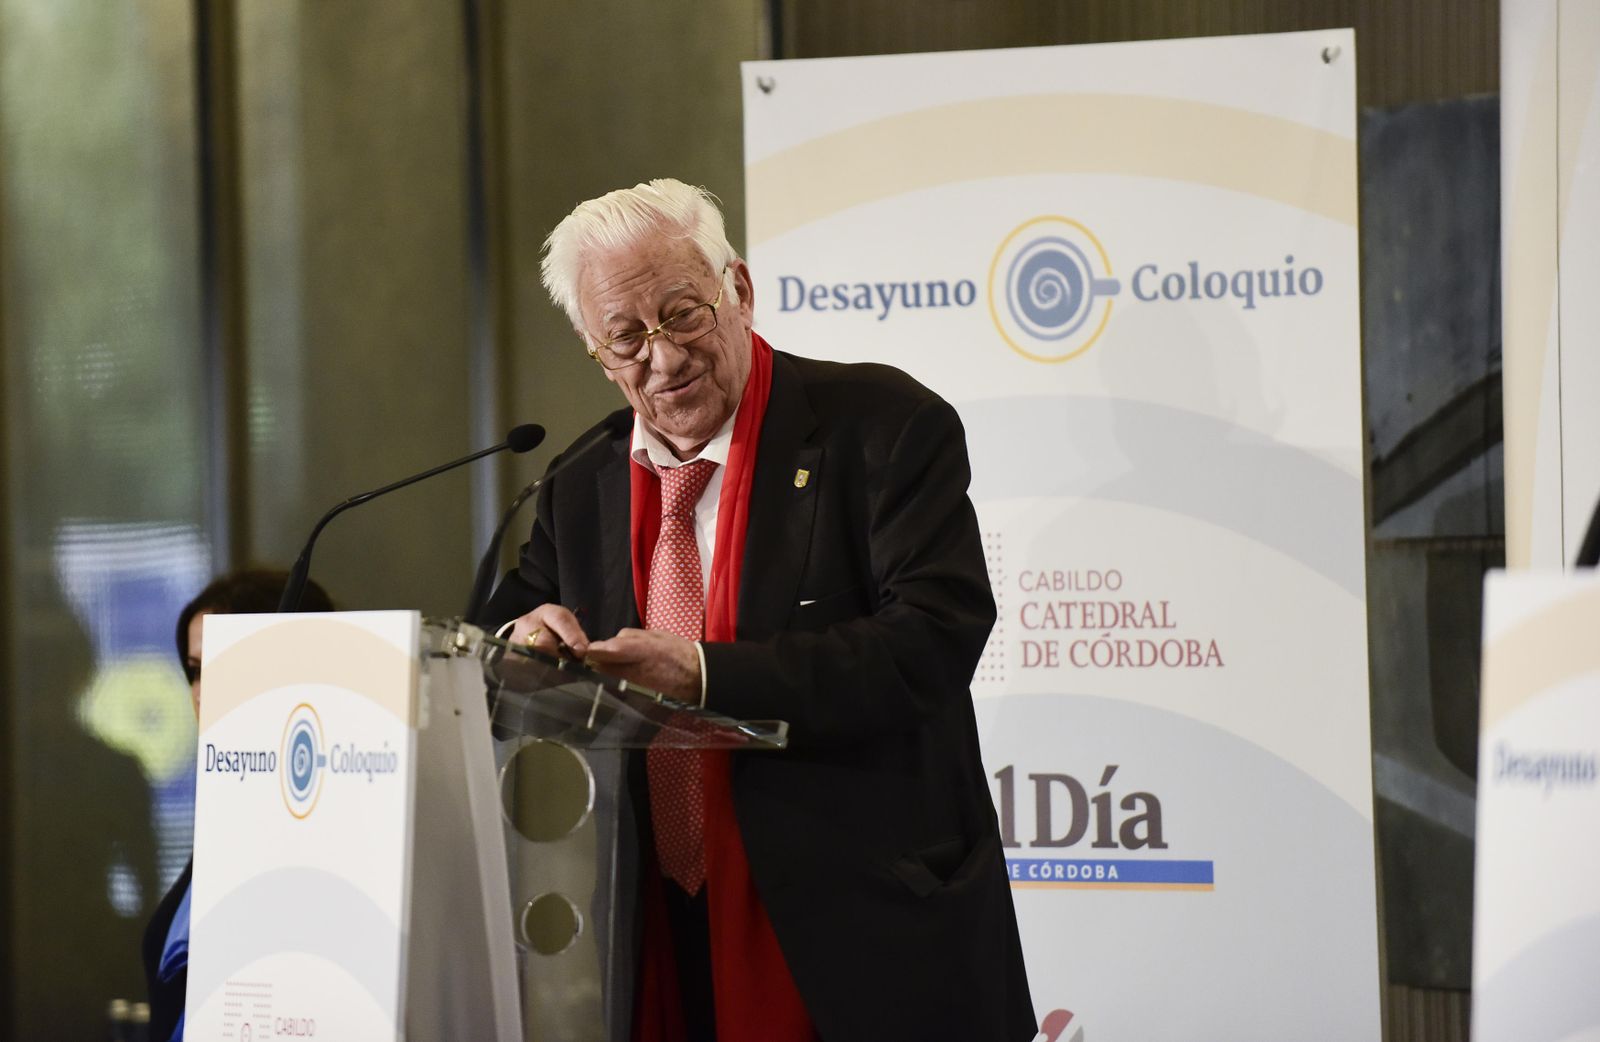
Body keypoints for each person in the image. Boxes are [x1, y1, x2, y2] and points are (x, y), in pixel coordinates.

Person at [483, 179, 1034, 1041]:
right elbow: (498, 629)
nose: (662, 361)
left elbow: (933, 639)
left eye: (682, 315)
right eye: (625, 339)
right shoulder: (579, 482)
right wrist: (523, 637)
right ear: (594, 347)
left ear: (737, 290)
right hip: (651, 930)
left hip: (864, 935)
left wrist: (703, 673)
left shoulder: (882, 426)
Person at [141, 569, 335, 1042]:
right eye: (194, 669)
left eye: (224, 665)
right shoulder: (231, 811)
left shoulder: (331, 818)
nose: (203, 691)